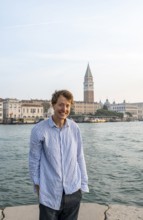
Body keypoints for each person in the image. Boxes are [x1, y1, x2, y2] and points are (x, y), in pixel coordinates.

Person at [29, 90, 89, 220]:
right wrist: (38, 187)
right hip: (49, 192)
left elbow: (80, 156)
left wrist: (83, 186)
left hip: (73, 191)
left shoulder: (75, 128)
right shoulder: (39, 130)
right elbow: (34, 161)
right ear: (53, 105)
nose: (64, 109)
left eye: (67, 105)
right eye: (61, 105)